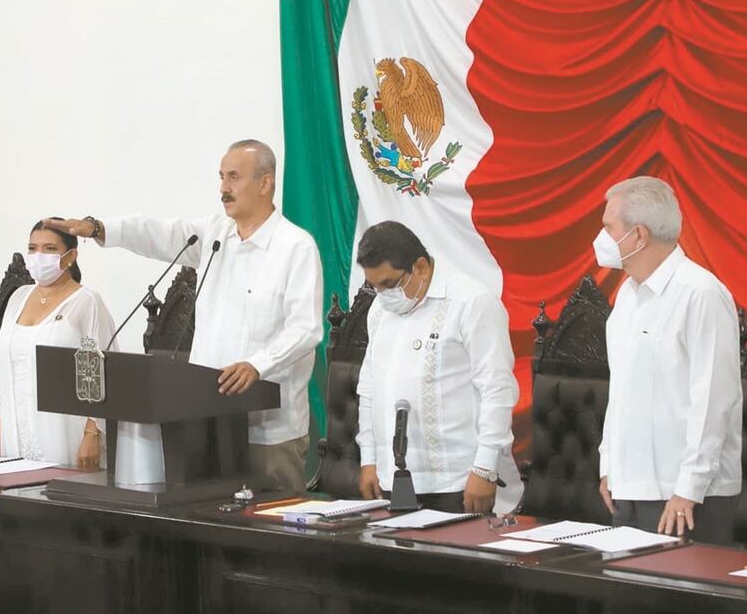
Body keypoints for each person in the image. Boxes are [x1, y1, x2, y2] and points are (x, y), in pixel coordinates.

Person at [44, 139, 323, 491]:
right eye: (221, 177)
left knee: (270, 534)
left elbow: (306, 330)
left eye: (234, 177)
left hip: (267, 431)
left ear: (265, 183)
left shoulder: (294, 247)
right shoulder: (214, 235)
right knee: (205, 525)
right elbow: (157, 232)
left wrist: (258, 364)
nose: (223, 188)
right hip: (205, 420)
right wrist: (99, 228)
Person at [596, 177, 742, 543]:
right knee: (623, 597)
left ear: (639, 236)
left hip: (688, 498)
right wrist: (610, 467)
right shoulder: (627, 296)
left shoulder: (701, 294)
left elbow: (713, 399)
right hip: (629, 487)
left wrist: (688, 489)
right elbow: (621, 392)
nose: (601, 240)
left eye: (608, 228)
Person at [354, 221, 523, 514]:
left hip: (460, 479)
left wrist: (484, 468)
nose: (382, 294)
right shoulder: (380, 310)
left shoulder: (471, 302)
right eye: (374, 286)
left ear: (420, 267)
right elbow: (370, 388)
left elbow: (497, 389)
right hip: (393, 478)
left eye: (389, 284)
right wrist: (369, 458)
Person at [0, 220, 116, 468]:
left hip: (64, 434)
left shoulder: (86, 302)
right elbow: (4, 366)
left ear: (71, 256)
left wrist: (92, 433)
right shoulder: (18, 297)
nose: (38, 256)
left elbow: (103, 373)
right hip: (14, 432)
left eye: (49, 249)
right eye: (33, 248)